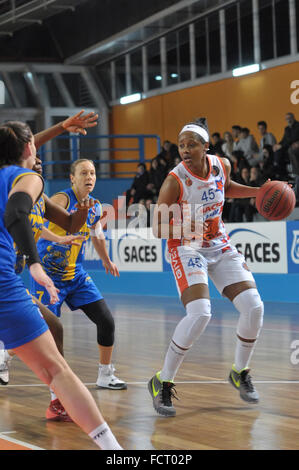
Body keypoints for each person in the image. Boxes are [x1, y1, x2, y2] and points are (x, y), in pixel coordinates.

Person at [0, 121, 122, 449]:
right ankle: (114, 450)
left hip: (25, 275)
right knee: (56, 367)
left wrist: (84, 215)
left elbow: (70, 222)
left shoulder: (22, 179)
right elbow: (17, 210)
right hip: (10, 279)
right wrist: (35, 262)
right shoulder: (27, 180)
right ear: (29, 151)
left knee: (54, 325)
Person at [148, 117, 265, 417]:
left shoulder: (221, 165)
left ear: (205, 146)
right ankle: (163, 381)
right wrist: (189, 228)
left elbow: (227, 188)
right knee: (200, 313)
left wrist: (258, 191)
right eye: (181, 145)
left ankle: (240, 371)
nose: (185, 149)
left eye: (191, 144)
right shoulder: (175, 180)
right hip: (186, 246)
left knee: (254, 307)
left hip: (220, 244)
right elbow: (157, 228)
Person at [31, 158, 127, 391]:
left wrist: (106, 259)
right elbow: (34, 226)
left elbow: (97, 235)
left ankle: (105, 375)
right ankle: (5, 356)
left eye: (93, 173)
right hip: (49, 277)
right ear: (72, 178)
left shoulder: (94, 206)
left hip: (76, 276)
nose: (89, 177)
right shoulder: (61, 200)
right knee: (40, 330)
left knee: (106, 320)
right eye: (84, 173)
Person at [273, 112, 299, 180]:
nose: (289, 120)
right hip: (288, 145)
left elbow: (293, 138)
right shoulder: (287, 128)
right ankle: (282, 174)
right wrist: (278, 145)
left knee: (291, 150)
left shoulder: (298, 125)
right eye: (287, 119)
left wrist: (282, 145)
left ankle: (296, 173)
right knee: (277, 151)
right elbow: (284, 139)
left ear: (293, 118)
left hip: (295, 145)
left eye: (290, 118)